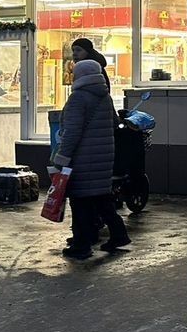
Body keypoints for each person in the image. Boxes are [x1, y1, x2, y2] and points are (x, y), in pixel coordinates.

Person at [52, 59, 129, 259]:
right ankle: (118, 235)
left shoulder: (78, 98)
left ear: (80, 75)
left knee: (80, 201)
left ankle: (81, 245)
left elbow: (72, 132)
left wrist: (61, 158)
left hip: (83, 158)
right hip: (104, 156)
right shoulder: (105, 97)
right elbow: (114, 123)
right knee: (101, 197)